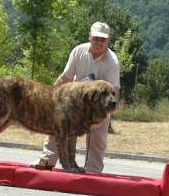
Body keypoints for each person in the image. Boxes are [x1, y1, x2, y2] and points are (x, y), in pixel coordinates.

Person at [30, 22, 121, 173]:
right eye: (96, 38)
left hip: (99, 107)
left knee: (98, 137)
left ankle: (93, 170)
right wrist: (48, 95)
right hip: (75, 104)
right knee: (57, 126)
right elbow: (65, 77)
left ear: (108, 40)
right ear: (89, 37)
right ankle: (47, 160)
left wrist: (113, 106)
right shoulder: (78, 51)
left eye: (103, 39)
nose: (99, 42)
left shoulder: (112, 61)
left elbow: (115, 88)